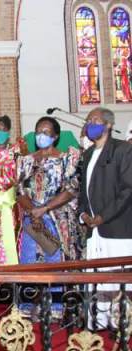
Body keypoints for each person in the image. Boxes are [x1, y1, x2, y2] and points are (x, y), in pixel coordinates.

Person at [16, 116, 85, 321]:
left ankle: (55, 307)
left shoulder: (67, 158)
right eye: (38, 131)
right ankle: (27, 306)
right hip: (32, 217)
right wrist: (33, 211)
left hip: (56, 218)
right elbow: (19, 191)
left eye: (46, 132)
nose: (41, 136)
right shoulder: (26, 160)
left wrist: (44, 209)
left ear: (55, 136)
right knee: (29, 260)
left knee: (54, 259)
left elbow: (71, 189)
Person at [80, 107, 132, 330]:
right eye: (89, 120)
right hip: (94, 228)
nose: (91, 123)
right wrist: (84, 213)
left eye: (96, 120)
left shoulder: (122, 150)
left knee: (119, 277)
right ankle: (100, 321)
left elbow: (128, 189)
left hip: (117, 227)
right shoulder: (88, 154)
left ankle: (122, 322)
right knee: (99, 277)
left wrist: (103, 216)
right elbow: (83, 190)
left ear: (108, 125)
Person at [0, 116, 23, 266]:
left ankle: (12, 282)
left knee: (10, 242)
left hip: (10, 205)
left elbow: (23, 178)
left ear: (8, 132)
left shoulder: (17, 151)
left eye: (2, 129)